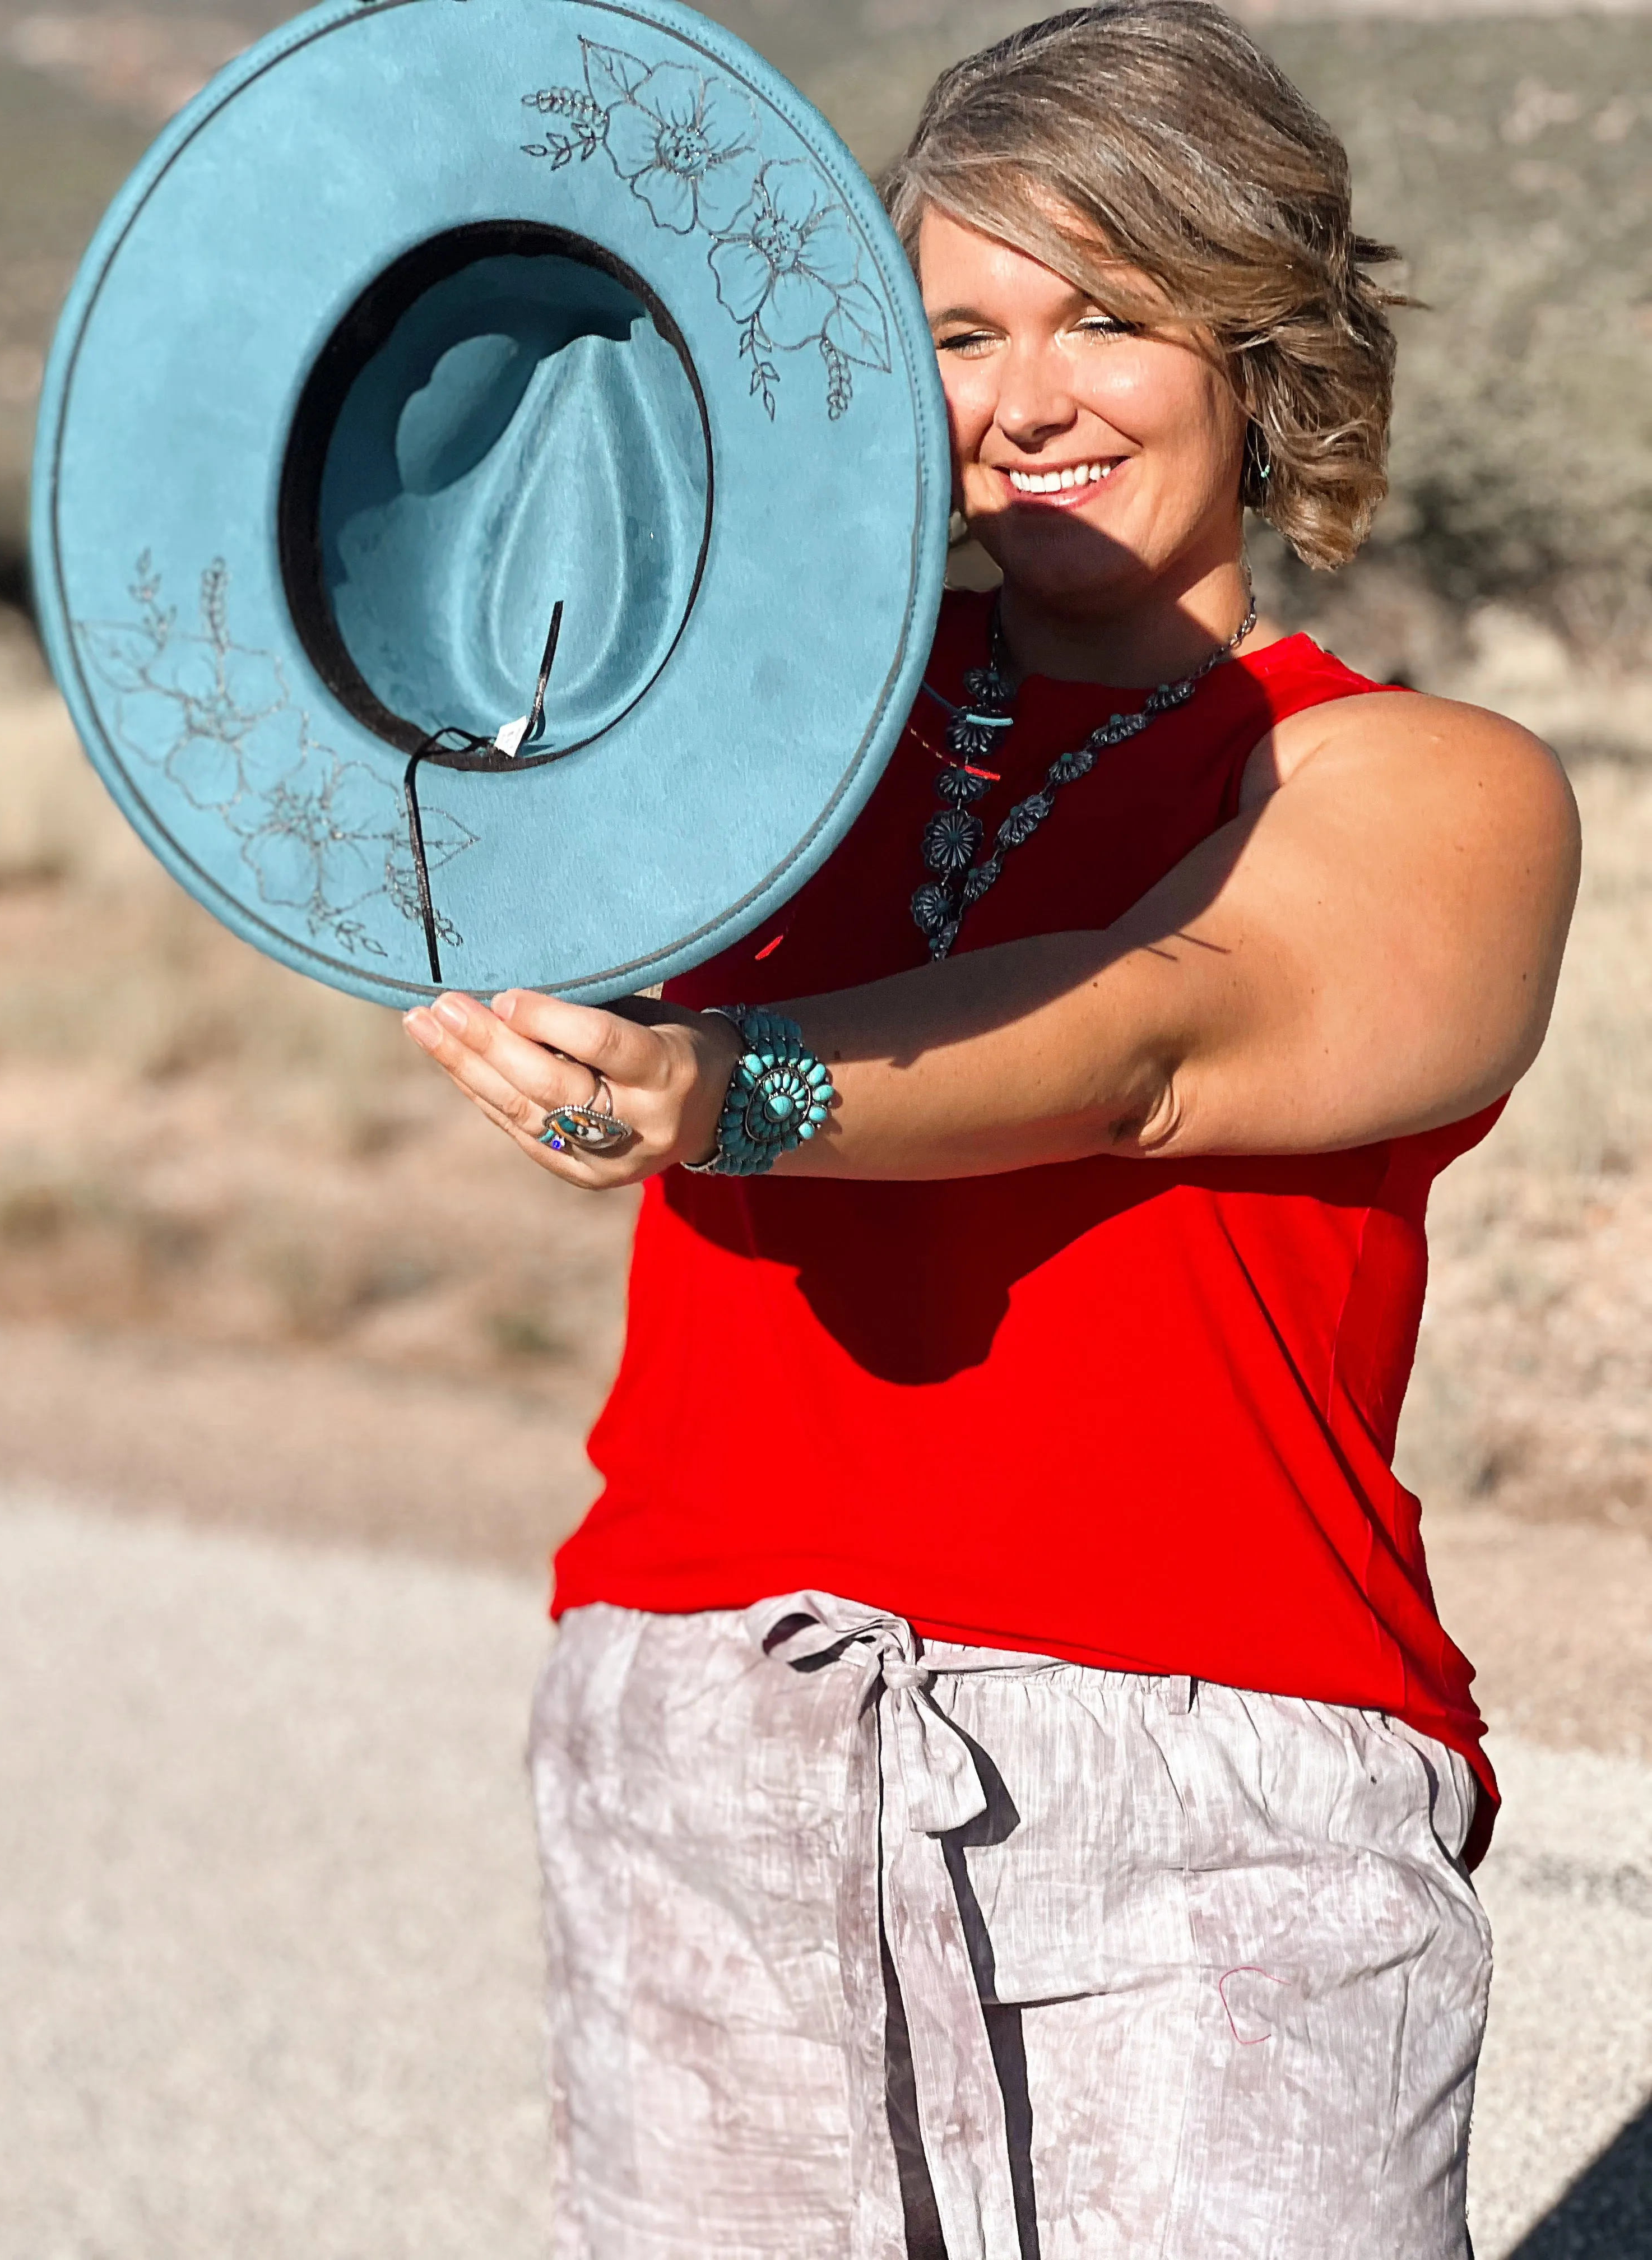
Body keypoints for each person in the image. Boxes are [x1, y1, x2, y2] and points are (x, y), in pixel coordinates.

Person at [403, 5, 1579, 2253]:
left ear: (1260, 350)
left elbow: (1161, 1040)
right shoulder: (738, 737)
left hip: (1204, 1784)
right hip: (707, 1721)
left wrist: (731, 1091)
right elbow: (452, 742)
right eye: (957, 329)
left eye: (1109, 317)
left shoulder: (1415, 786)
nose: (1026, 397)